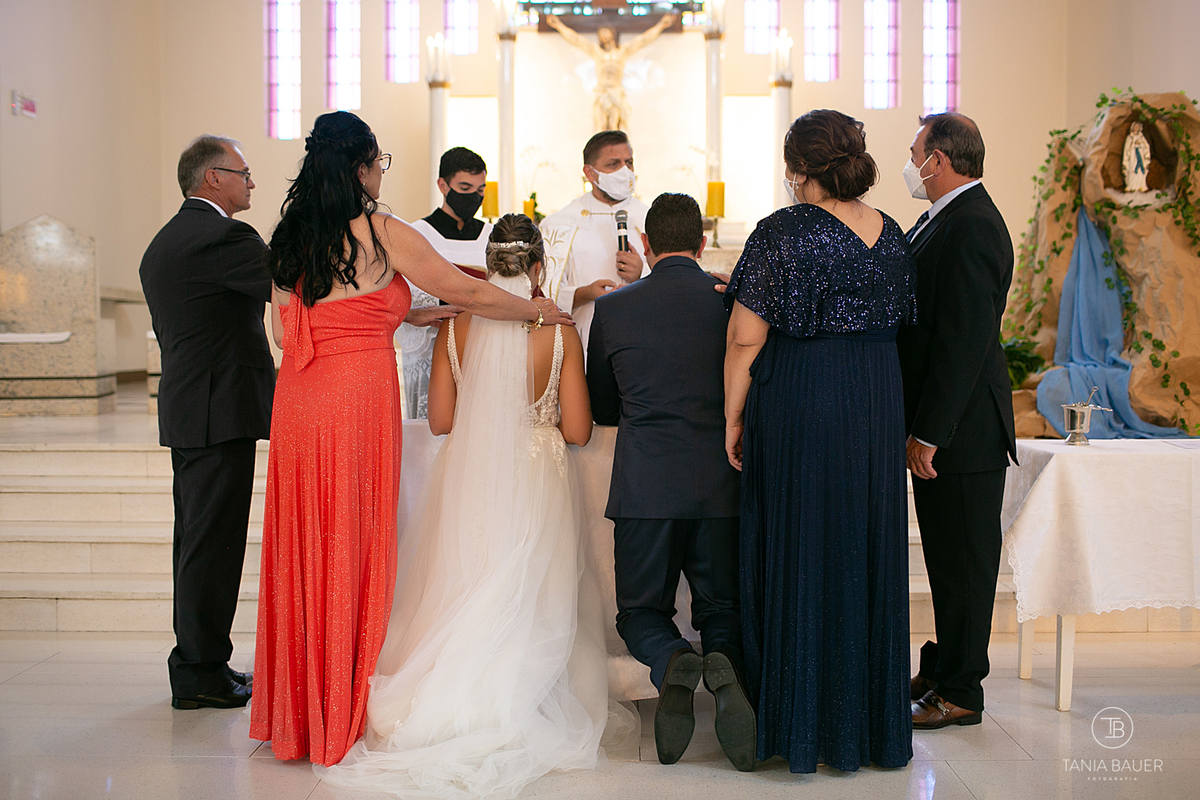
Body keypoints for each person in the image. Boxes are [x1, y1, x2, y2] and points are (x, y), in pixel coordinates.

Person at [250, 112, 572, 768]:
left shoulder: (288, 236)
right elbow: (464, 290)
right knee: (353, 534)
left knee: (307, 537)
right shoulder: (379, 230)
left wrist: (397, 314)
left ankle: (300, 713)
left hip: (300, 400)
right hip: (356, 397)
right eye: (379, 164)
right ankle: (342, 702)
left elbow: (287, 331)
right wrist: (536, 309)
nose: (380, 175)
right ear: (361, 168)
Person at [319, 214, 626, 798]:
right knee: (530, 586)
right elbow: (579, 431)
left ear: (487, 269)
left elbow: (440, 421)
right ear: (539, 268)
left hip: (470, 470)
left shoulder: (455, 327)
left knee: (470, 580)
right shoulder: (557, 331)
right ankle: (522, 691)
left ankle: (450, 692)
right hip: (536, 473)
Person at [722, 110, 916, 773]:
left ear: (798, 168)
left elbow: (745, 337)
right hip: (877, 396)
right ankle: (869, 728)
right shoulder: (892, 233)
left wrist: (732, 416)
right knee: (865, 547)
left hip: (805, 395)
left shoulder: (781, 231)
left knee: (803, 545)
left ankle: (802, 727)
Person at [586, 193, 752, 771]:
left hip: (646, 487)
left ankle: (671, 658)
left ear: (646, 245)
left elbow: (603, 407)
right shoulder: (731, 302)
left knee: (639, 611)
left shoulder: (614, 309)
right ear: (702, 244)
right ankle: (724, 667)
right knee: (722, 606)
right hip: (722, 485)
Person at [140, 135, 271, 711]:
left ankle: (200, 662)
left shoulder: (166, 240)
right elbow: (292, 283)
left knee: (196, 542)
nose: (251, 182)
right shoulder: (223, 237)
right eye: (244, 172)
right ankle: (200, 673)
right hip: (221, 410)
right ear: (213, 177)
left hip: (193, 406)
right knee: (213, 546)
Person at [897, 112, 1017, 730]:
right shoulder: (943, 217)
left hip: (963, 433)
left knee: (966, 565)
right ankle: (944, 668)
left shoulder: (972, 225)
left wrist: (930, 431)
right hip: (947, 428)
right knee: (946, 560)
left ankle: (963, 690)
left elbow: (964, 341)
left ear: (938, 160)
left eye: (915, 151)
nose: (911, 163)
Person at [398, 146, 492, 419]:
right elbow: (404, 295)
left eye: (480, 189)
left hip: (482, 350)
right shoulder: (417, 233)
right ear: (443, 185)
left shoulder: (492, 235)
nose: (474, 197)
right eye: (465, 188)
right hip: (430, 351)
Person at [540, 129, 649, 353]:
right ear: (590, 173)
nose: (625, 171)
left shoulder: (650, 219)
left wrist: (642, 275)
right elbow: (545, 292)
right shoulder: (560, 224)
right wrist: (585, 293)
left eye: (629, 163)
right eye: (613, 164)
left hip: (640, 337)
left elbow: (673, 281)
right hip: (584, 337)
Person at [545, 13, 676, 131]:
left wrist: (661, 25)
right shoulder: (596, 51)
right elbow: (576, 40)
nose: (602, 35)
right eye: (600, 33)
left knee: (614, 127)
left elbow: (643, 40)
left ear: (612, 34)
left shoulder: (622, 51)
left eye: (605, 32)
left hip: (616, 92)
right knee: (600, 127)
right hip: (601, 92)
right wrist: (558, 25)